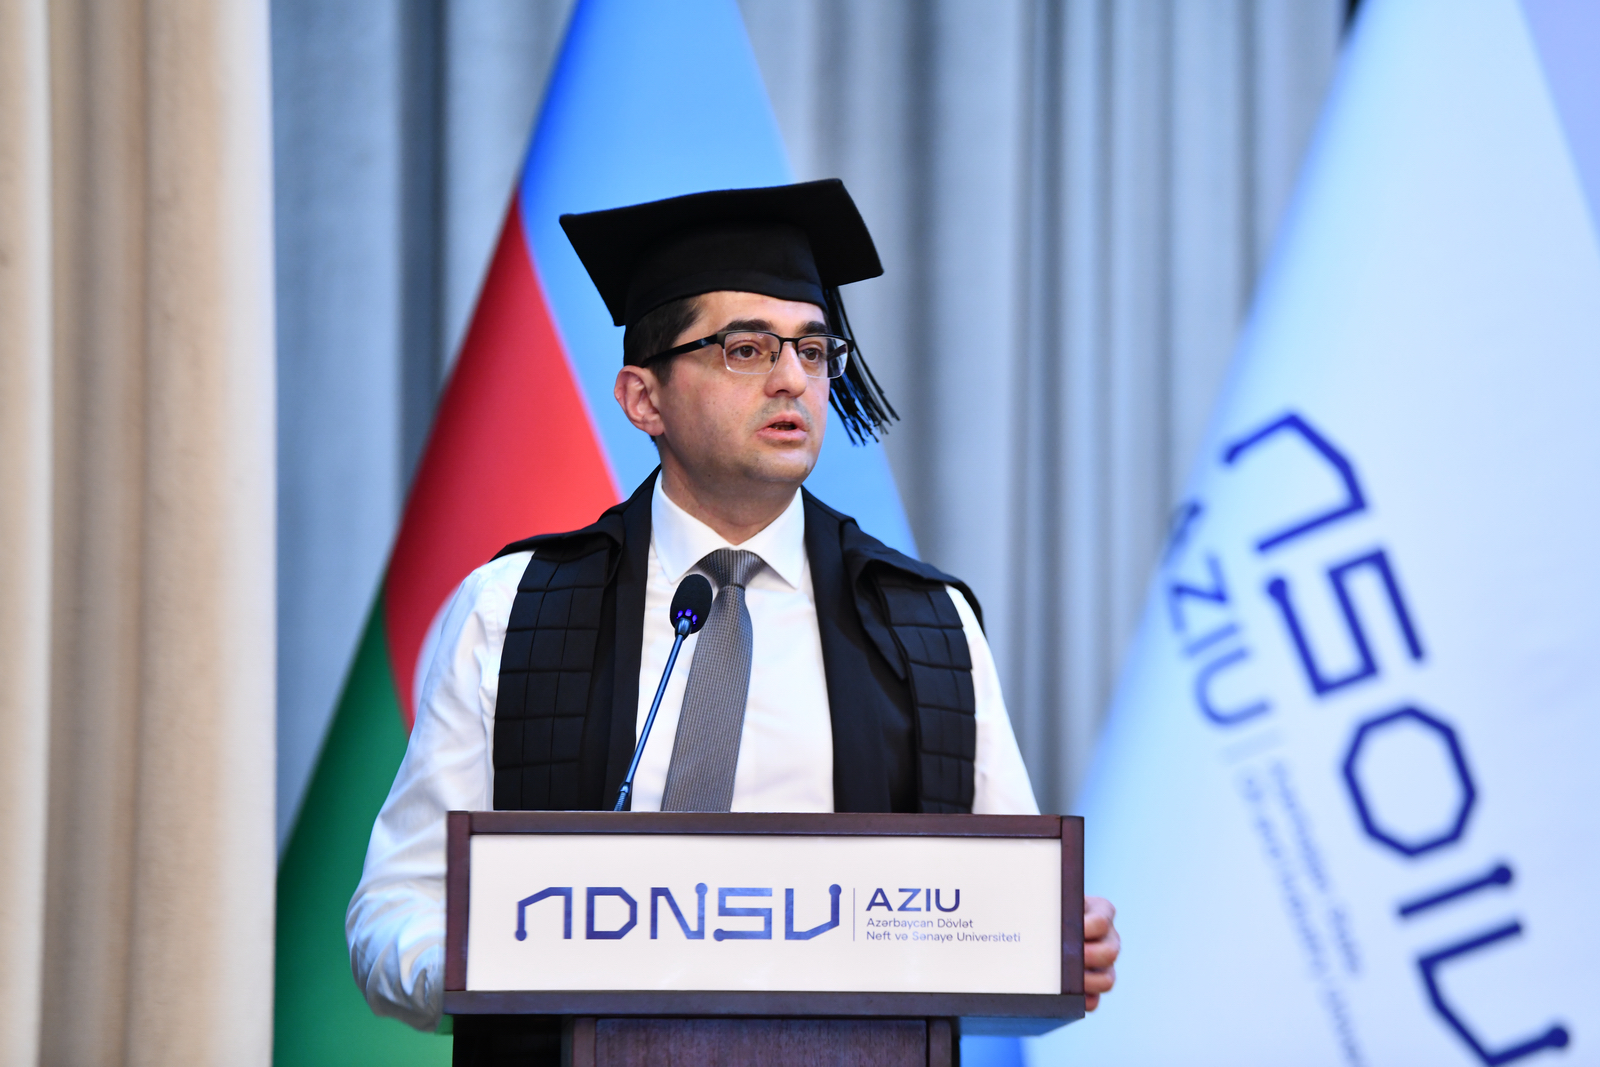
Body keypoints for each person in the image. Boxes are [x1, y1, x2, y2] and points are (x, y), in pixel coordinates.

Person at [347, 180, 1120, 1052]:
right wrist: (489, 962)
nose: (793, 377)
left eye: (813, 349)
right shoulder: (512, 609)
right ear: (644, 399)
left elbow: (1008, 919)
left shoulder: (926, 624)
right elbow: (397, 904)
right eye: (746, 348)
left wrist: (1061, 946)